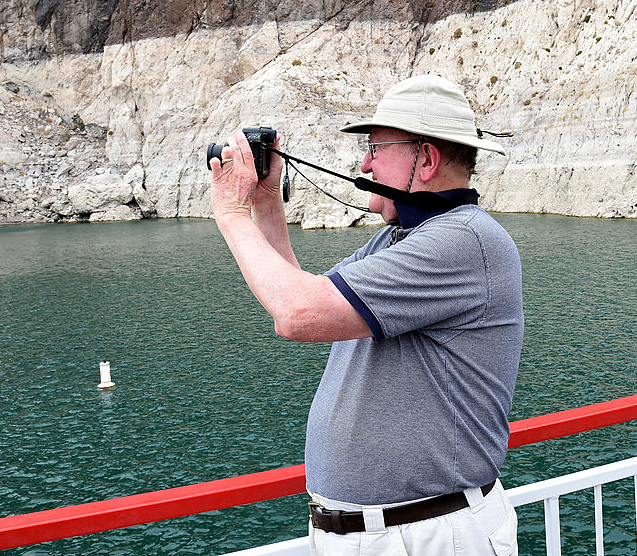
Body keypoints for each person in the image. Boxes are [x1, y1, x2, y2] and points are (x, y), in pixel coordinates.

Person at [209, 73, 523, 555]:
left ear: (426, 158)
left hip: (427, 535)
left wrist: (230, 213)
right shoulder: (402, 239)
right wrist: (266, 202)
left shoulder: (463, 242)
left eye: (376, 148)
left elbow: (298, 313)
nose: (364, 163)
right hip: (380, 534)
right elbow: (299, 297)